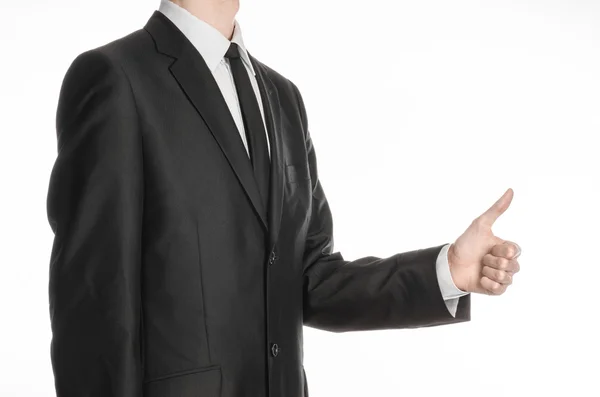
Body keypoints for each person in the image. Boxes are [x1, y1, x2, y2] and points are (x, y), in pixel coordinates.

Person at [46, 1, 522, 396]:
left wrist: (447, 271)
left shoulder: (282, 97)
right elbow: (94, 312)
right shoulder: (115, 77)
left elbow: (314, 280)